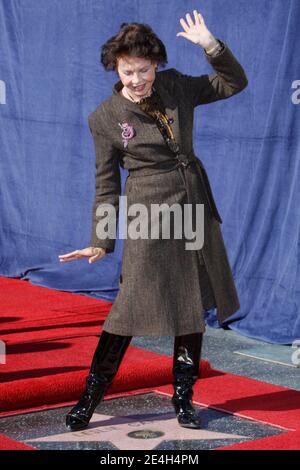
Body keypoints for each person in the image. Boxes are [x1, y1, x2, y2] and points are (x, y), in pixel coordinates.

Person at [58, 10, 248, 431]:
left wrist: (210, 46)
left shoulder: (176, 85)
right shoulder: (105, 118)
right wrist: (101, 241)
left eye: (143, 70)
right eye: (128, 72)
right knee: (127, 310)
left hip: (192, 203)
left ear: (156, 65)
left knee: (191, 304)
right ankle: (89, 398)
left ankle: (184, 398)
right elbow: (106, 185)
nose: (137, 80)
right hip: (147, 212)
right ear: (116, 68)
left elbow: (233, 82)